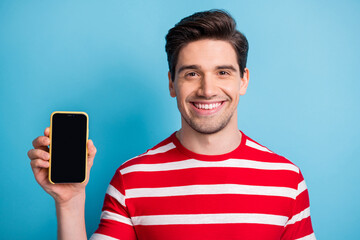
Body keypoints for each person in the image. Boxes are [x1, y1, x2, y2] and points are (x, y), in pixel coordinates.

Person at [28, 9, 316, 240]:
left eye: (223, 72)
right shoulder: (130, 180)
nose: (207, 89)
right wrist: (70, 203)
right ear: (171, 83)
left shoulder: (287, 180)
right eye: (192, 73)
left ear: (243, 80)